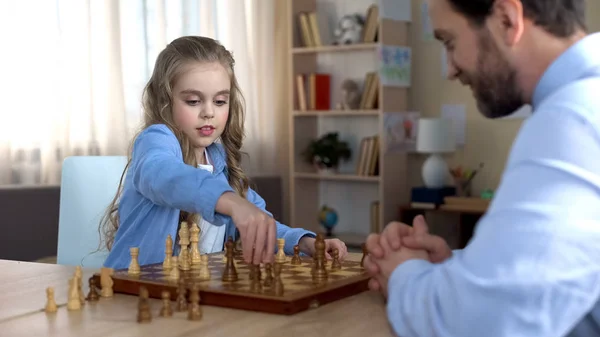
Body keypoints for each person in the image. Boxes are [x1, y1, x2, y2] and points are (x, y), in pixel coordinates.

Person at [364, 0, 600, 336]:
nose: (450, 69)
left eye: (449, 41)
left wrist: (404, 273)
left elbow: (482, 323)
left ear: (506, 19)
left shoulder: (572, 120)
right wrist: (456, 271)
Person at [99, 36, 348, 270]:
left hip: (194, 294)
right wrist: (231, 203)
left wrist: (303, 243)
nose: (208, 112)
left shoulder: (219, 163)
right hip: (136, 290)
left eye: (219, 102)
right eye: (193, 101)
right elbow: (163, 175)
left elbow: (259, 224)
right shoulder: (155, 141)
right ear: (165, 100)